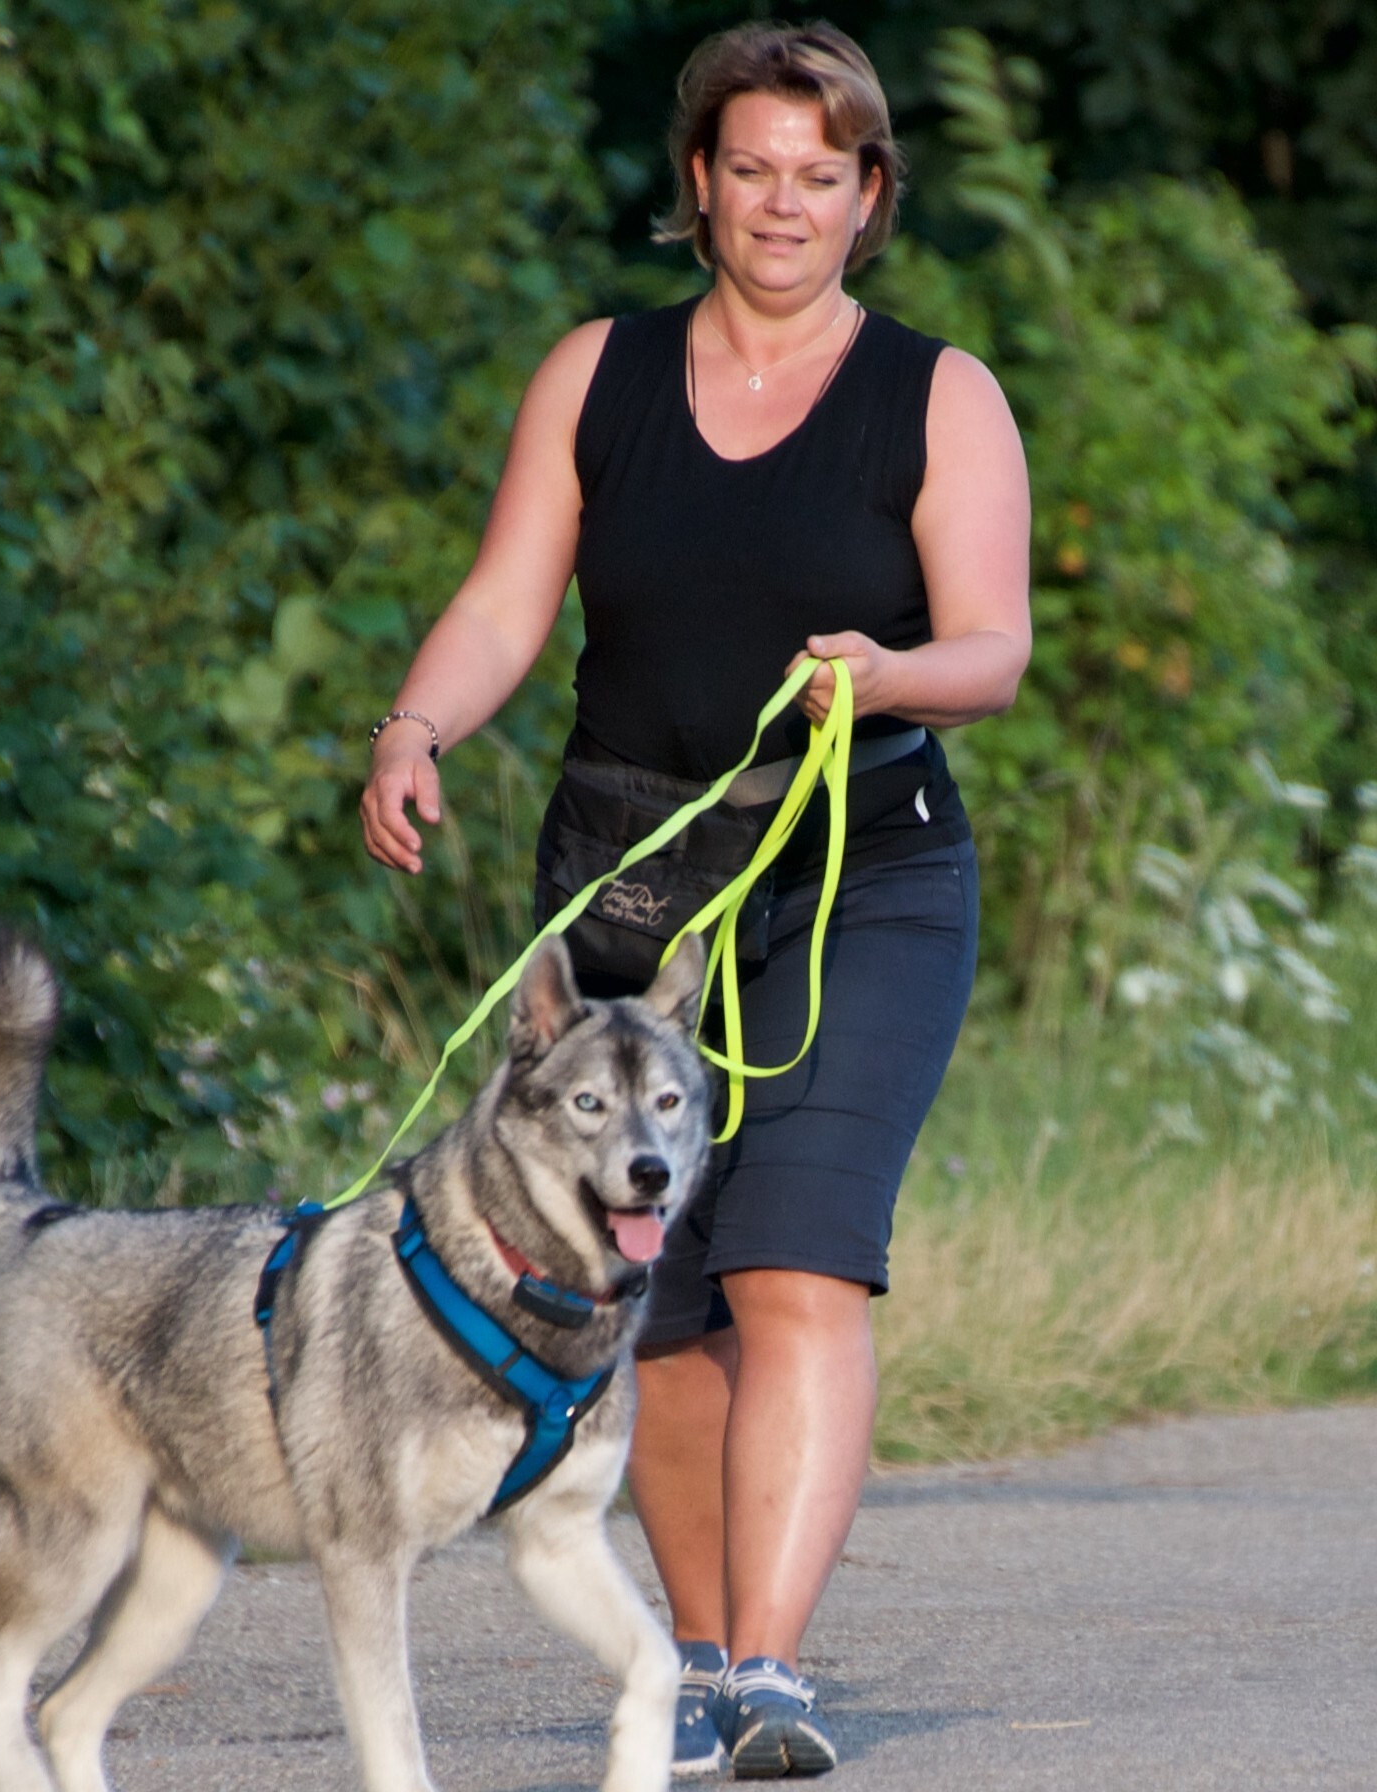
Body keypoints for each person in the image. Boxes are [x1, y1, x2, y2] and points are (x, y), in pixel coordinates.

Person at [361, 20, 1029, 1780]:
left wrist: (882, 677)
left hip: (859, 875)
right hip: (629, 885)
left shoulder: (936, 394)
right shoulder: (599, 374)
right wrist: (418, 723)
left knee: (806, 1257)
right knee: (666, 1294)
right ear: (700, 185)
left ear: (871, 192)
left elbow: (996, 649)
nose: (784, 202)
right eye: (754, 168)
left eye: (824, 172)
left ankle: (772, 1681)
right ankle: (710, 1652)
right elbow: (510, 598)